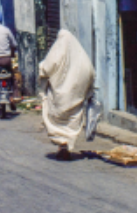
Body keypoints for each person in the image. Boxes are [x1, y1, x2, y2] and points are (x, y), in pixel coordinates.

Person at [39, 30, 95, 161]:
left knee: (57, 118)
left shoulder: (57, 52)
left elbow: (47, 67)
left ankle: (62, 144)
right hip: (76, 97)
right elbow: (90, 72)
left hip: (59, 96)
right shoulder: (82, 56)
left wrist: (41, 67)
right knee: (72, 120)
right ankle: (67, 145)